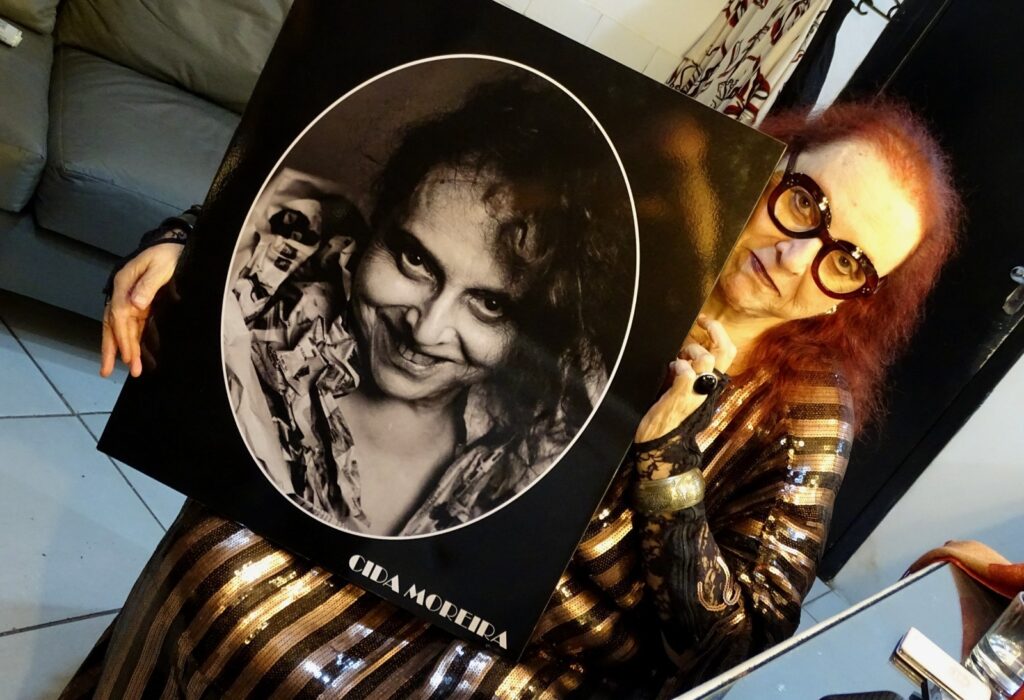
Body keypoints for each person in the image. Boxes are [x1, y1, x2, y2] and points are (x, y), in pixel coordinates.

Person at [74, 98, 960, 698]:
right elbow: (375, 230)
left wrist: (669, 464)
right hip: (394, 540)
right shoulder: (615, 238)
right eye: (804, 202)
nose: (797, 257)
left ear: (858, 297)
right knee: (215, 572)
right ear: (770, 165)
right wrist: (187, 245)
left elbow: (736, 646)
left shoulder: (807, 414)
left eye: (848, 261)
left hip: (542, 655)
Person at [217, 77, 633, 536]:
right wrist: (179, 248)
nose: (425, 330)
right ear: (377, 221)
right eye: (415, 260)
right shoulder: (250, 290)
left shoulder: (550, 455)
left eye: (491, 304)